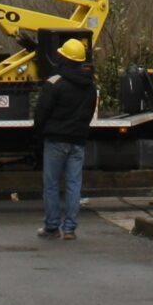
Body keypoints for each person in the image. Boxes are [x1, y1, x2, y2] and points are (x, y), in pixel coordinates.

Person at [34, 36, 97, 240]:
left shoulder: (55, 82)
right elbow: (88, 113)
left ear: (64, 59)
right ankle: (70, 229)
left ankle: (52, 227)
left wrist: (38, 133)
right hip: (78, 140)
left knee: (51, 184)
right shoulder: (90, 86)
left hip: (55, 140)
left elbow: (42, 112)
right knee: (73, 184)